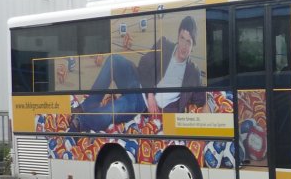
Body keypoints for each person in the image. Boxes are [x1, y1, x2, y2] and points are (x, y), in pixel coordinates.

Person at [71, 15, 204, 132]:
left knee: (114, 109)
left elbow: (201, 99)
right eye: (182, 38)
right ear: (178, 36)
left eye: (188, 42)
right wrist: (150, 93)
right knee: (114, 60)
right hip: (137, 81)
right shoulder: (164, 45)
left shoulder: (193, 73)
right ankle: (88, 105)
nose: (184, 45)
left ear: (193, 45)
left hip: (141, 102)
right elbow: (144, 63)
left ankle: (81, 122)